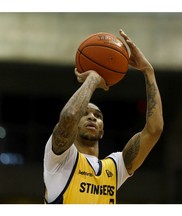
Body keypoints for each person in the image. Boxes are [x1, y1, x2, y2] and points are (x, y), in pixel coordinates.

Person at [43, 29, 164, 204]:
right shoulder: (60, 159)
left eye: (98, 116)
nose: (92, 117)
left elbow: (154, 130)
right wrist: (92, 79)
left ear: (103, 128)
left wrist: (148, 71)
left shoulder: (115, 167)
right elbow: (69, 116)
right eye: (85, 114)